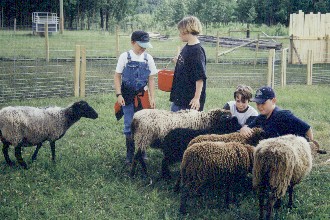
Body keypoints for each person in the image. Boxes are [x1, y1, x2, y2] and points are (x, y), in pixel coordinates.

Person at [114, 30, 157, 164]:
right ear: (132, 42)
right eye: (140, 45)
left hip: (143, 97)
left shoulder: (148, 58)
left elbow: (151, 79)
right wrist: (119, 94)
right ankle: (130, 153)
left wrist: (152, 97)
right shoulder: (124, 57)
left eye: (145, 45)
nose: (143, 48)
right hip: (127, 96)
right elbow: (117, 76)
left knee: (143, 124)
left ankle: (142, 151)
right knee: (128, 124)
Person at [240, 86, 314, 141]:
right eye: (257, 103)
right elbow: (249, 127)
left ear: (273, 101)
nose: (260, 106)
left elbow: (307, 128)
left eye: (263, 103)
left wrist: (310, 146)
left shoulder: (283, 115)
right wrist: (244, 128)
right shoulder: (261, 117)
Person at [170, 16, 207, 112]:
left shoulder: (197, 51)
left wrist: (196, 98)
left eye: (180, 31)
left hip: (189, 102)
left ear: (187, 30)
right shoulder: (186, 47)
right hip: (179, 98)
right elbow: (187, 69)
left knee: (187, 127)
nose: (179, 35)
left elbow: (200, 78)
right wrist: (177, 62)